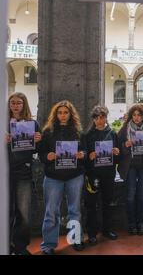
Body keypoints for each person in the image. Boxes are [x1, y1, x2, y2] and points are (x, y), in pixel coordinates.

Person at [38, 100, 86, 254]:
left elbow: (85, 151)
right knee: (51, 211)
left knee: (75, 210)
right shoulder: (48, 132)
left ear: (71, 114)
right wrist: (48, 157)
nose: (63, 115)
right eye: (60, 112)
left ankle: (75, 240)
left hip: (74, 176)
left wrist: (82, 154)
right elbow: (41, 154)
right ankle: (49, 245)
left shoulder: (78, 132)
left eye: (66, 112)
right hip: (53, 177)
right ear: (55, 114)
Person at [6, 93, 41, 255]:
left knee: (24, 213)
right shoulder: (3, 123)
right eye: (12, 103)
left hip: (23, 172)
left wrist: (38, 140)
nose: (15, 105)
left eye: (19, 103)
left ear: (24, 104)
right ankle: (6, 245)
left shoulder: (32, 124)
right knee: (6, 211)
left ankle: (20, 247)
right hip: (4, 172)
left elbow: (37, 151)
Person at [117, 104, 143, 236]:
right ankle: (131, 223)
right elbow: (118, 149)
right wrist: (125, 145)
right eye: (134, 115)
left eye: (139, 115)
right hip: (130, 166)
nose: (136, 117)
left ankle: (141, 223)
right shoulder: (124, 129)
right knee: (130, 196)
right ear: (131, 116)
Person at [83, 105, 120, 245]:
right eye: (97, 117)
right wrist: (89, 156)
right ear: (93, 119)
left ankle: (107, 229)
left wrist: (116, 153)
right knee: (92, 205)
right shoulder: (87, 135)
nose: (100, 120)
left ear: (106, 117)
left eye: (102, 117)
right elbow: (83, 157)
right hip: (93, 175)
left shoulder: (112, 133)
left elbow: (117, 159)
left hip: (109, 174)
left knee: (108, 202)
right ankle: (92, 233)